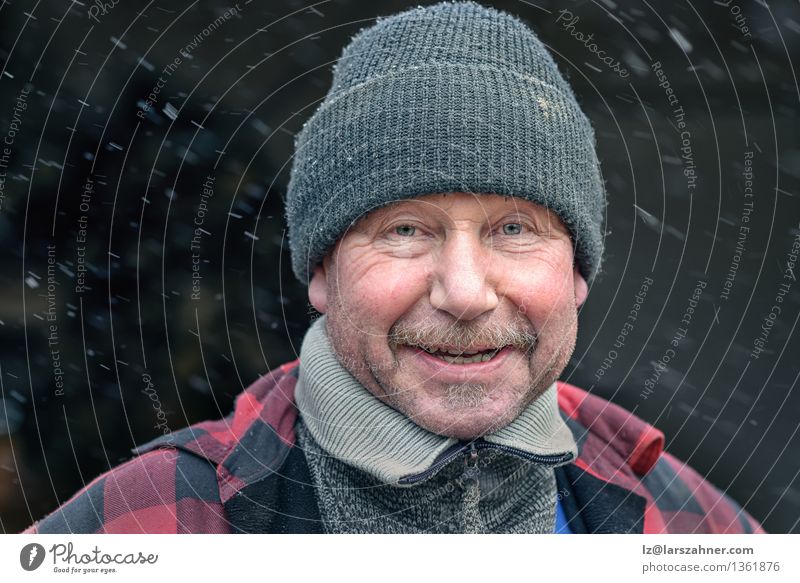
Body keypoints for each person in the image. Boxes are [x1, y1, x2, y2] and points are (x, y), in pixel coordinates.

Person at [25, 1, 762, 534]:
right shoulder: (139, 530)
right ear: (321, 270)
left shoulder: (701, 533)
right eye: (406, 229)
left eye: (514, 228)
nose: (466, 293)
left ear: (577, 273)